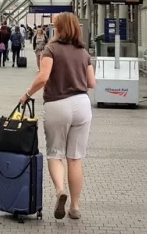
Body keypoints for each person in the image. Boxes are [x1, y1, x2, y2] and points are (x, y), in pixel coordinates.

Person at [19, 13, 95, 221]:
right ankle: (75, 207)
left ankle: (60, 190)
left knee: (55, 154)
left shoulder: (50, 49)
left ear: (58, 28)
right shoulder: (83, 52)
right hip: (82, 104)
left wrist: (27, 94)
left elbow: (43, 77)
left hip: (57, 104)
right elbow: (92, 83)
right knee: (75, 158)